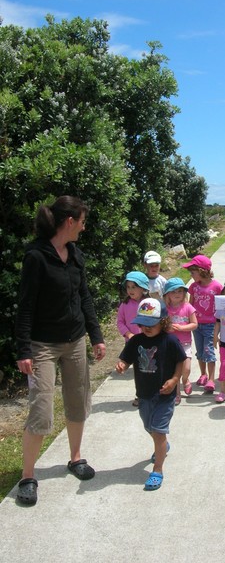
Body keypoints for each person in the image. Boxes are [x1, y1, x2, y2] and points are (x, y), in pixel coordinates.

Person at [15, 195, 106, 506]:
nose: (84, 226)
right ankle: (28, 476)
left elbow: (85, 297)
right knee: (41, 407)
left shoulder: (75, 253)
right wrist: (23, 349)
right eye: (82, 221)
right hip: (41, 345)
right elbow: (25, 306)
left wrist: (96, 336)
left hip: (75, 340)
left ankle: (75, 458)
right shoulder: (36, 256)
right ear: (70, 221)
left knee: (78, 400)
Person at [115, 298, 186, 491]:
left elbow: (181, 360)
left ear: (163, 321)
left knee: (158, 430)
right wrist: (122, 364)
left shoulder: (169, 340)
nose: (146, 328)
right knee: (149, 427)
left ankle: (158, 469)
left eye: (151, 324)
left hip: (165, 395)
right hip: (144, 394)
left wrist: (175, 379)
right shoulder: (136, 340)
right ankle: (162, 445)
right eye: (142, 323)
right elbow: (126, 357)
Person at [182, 255, 223, 393]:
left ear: (202, 271)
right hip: (196, 325)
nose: (191, 275)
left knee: (209, 350)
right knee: (200, 351)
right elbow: (190, 304)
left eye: (193, 272)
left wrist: (220, 323)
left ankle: (211, 379)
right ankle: (203, 374)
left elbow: (221, 306)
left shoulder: (217, 286)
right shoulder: (193, 287)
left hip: (211, 325)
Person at [116, 270, 150, 407]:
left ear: (143, 289)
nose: (130, 290)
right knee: (139, 372)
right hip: (132, 344)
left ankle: (152, 393)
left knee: (149, 370)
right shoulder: (124, 304)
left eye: (134, 287)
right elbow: (120, 322)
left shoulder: (148, 304)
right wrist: (128, 334)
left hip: (148, 342)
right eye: (128, 287)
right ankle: (140, 395)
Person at [163, 277, 198, 405]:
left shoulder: (188, 307)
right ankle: (176, 393)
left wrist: (182, 328)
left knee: (186, 368)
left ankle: (186, 379)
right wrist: (167, 327)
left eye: (180, 291)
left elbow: (194, 324)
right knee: (174, 370)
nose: (177, 294)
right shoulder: (165, 309)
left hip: (185, 343)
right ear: (167, 295)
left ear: (184, 293)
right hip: (170, 343)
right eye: (173, 292)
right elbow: (161, 325)